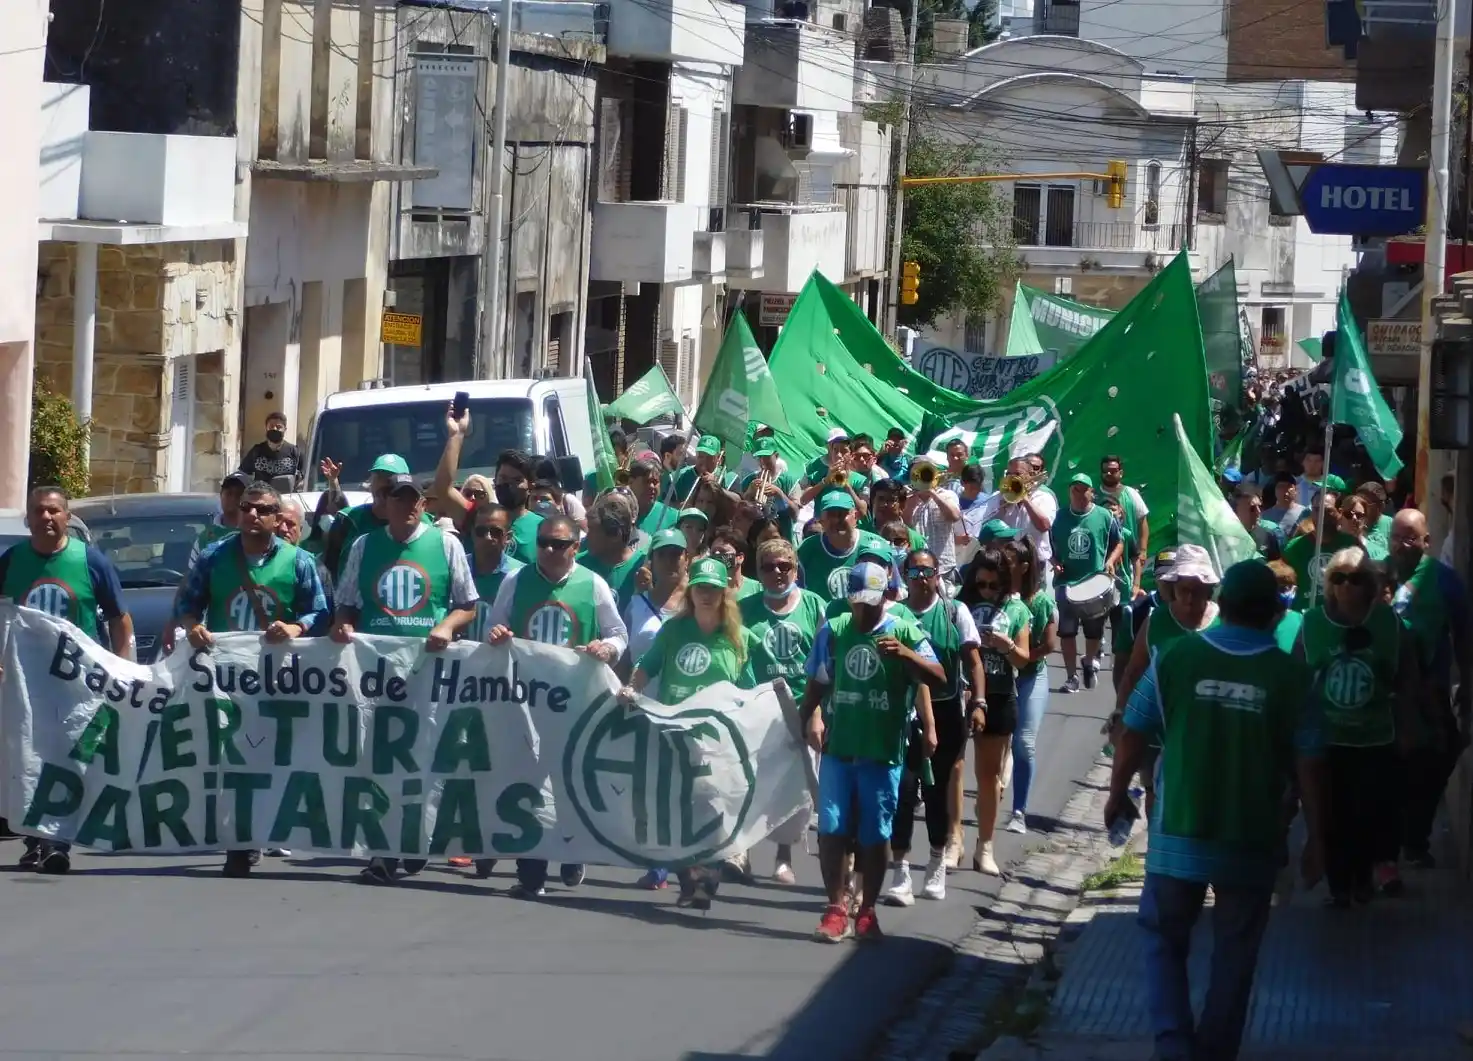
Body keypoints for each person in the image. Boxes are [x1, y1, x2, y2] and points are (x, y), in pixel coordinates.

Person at [1107, 560, 1328, 1061]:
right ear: (1275, 614)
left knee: (1164, 939)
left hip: (1176, 836)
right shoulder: (1295, 677)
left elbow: (1132, 733)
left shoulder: (1174, 659)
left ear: (1219, 606)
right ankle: (1215, 1050)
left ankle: (1173, 1046)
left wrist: (1117, 793)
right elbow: (1311, 765)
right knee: (1236, 950)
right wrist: (1317, 837)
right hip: (1251, 838)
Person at [176, 482, 330, 878]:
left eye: (263, 510)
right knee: (232, 760)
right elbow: (187, 605)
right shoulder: (214, 557)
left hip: (280, 681)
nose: (252, 515)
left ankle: (265, 829)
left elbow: (320, 612)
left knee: (273, 759)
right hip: (227, 681)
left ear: (279, 518)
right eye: (246, 507)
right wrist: (193, 627)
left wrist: (296, 628)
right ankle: (240, 844)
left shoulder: (299, 561)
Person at [486, 513, 629, 898]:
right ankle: (530, 872)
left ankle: (571, 850)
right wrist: (497, 635)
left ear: (575, 548)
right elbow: (493, 628)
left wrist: (607, 648)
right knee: (527, 781)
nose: (550, 550)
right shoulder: (515, 582)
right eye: (544, 542)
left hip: (573, 702)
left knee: (568, 782)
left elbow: (618, 633)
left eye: (559, 544)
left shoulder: (592, 584)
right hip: (525, 702)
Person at [802, 562, 944, 942]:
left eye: (874, 601)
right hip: (839, 749)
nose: (866, 609)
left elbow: (939, 677)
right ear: (850, 599)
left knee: (874, 834)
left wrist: (906, 656)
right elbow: (816, 684)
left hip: (882, 753)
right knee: (831, 828)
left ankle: (867, 911)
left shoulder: (905, 631)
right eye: (860, 601)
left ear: (888, 596)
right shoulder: (833, 632)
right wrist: (803, 721)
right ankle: (835, 908)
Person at [0, 487, 134, 874]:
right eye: (39, 511)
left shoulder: (89, 560)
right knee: (28, 756)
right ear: (28, 519)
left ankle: (57, 841)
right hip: (26, 681)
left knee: (71, 758)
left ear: (67, 516)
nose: (47, 518)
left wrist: (119, 666)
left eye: (54, 511)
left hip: (79, 681)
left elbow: (119, 618)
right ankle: (35, 837)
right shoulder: (12, 562)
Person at [622, 556, 760, 908]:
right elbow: (647, 666)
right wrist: (632, 689)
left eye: (714, 588)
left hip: (718, 739)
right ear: (691, 590)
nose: (706, 594)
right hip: (674, 732)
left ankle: (708, 878)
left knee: (712, 810)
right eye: (700, 587)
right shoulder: (672, 630)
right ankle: (688, 882)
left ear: (724, 593)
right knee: (678, 810)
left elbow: (751, 690)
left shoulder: (740, 638)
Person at [1297, 546, 1418, 905]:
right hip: (1326, 741)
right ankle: (1338, 885)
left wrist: (1411, 726)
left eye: (1356, 579)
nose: (1347, 586)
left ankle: (1362, 878)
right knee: (1331, 814)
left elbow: (1408, 678)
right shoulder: (1313, 623)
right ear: (1329, 584)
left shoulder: (1389, 625)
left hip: (1375, 739)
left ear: (1371, 585)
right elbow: (1297, 677)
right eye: (1338, 578)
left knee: (1369, 814)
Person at [884, 548, 985, 906]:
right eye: (914, 572)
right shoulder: (897, 613)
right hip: (902, 713)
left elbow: (973, 660)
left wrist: (978, 703)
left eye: (927, 571)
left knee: (939, 790)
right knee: (904, 790)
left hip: (946, 711)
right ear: (905, 576)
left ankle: (938, 861)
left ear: (937, 575)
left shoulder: (953, 611)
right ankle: (900, 871)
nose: (921, 578)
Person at [1388, 508, 1471, 869]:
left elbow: (1465, 638)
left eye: (1411, 537)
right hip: (1383, 692)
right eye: (1397, 536)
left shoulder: (1445, 580)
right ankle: (1386, 851)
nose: (1403, 544)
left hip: (1429, 692)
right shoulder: (1374, 574)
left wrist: (1466, 686)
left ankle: (1415, 837)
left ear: (1427, 541)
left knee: (1440, 757)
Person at [742, 538, 828, 884]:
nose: (777, 572)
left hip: (804, 704)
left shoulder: (814, 605)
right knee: (751, 782)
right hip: (760, 705)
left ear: (795, 568)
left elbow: (824, 663)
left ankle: (784, 854)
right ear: (758, 572)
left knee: (799, 786)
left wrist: (817, 711)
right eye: (768, 567)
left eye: (784, 566)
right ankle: (741, 851)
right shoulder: (745, 608)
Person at [957, 546, 1032, 875]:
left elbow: (1024, 660)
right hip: (962, 692)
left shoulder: (1017, 609)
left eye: (993, 585)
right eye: (981, 584)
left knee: (989, 778)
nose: (986, 590)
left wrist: (1008, 646)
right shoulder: (960, 605)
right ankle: (952, 839)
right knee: (953, 771)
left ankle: (984, 847)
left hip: (1001, 692)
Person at [1049, 473, 1122, 693]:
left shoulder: (1104, 517)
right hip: (1067, 584)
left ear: (1093, 492)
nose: (1080, 495)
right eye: (1075, 490)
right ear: (1070, 492)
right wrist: (1055, 562)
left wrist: (1110, 561)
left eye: (1085, 490)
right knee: (1068, 632)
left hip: (1094, 582)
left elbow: (1119, 543)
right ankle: (1071, 677)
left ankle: (1089, 660)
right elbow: (1050, 549)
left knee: (1093, 632)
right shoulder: (1059, 518)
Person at [1008, 536, 1057, 835]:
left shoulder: (1041, 602)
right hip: (998, 678)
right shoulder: (995, 597)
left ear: (1024, 567)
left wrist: (1022, 658)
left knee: (1024, 743)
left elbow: (1049, 644)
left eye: (1009, 561)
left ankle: (1018, 811)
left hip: (1031, 676)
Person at [325, 453, 434, 576]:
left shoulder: (424, 523)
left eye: (390, 479)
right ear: (371, 483)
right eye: (378, 477)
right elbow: (329, 570)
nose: (383, 484)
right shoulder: (348, 520)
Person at [977, 454, 1058, 592]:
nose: (1012, 478)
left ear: (1030, 474)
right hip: (1005, 562)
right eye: (1009, 474)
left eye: (1018, 474)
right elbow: (986, 528)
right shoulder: (998, 497)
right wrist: (1001, 508)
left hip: (1034, 563)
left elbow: (1044, 526)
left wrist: (1024, 498)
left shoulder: (1044, 497)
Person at [625, 529, 689, 670]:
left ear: (687, 560)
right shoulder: (636, 605)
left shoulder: (697, 605)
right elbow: (625, 659)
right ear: (651, 562)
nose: (668, 561)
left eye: (675, 554)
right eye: (661, 555)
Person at [575, 492, 645, 614]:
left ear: (615, 535)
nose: (587, 536)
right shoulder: (577, 566)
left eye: (593, 530)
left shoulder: (643, 568)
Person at [1281, 504, 1359, 610]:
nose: (1322, 516)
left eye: (1328, 511)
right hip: (1306, 616)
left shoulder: (1352, 544)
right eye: (1317, 510)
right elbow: (1284, 585)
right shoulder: (1294, 548)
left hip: (1342, 615)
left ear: (1339, 513)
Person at [466, 503, 522, 643]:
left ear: (508, 537)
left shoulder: (520, 576)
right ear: (473, 534)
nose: (488, 537)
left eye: (496, 532)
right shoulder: (457, 569)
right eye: (481, 531)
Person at [797, 491, 861, 606]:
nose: (837, 520)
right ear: (821, 520)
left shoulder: (873, 546)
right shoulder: (806, 549)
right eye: (831, 515)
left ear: (855, 516)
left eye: (842, 514)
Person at [904, 457, 962, 583]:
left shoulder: (947, 495)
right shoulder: (906, 497)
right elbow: (904, 526)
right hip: (917, 568)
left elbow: (954, 516)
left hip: (944, 568)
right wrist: (910, 504)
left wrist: (932, 493)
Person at [1099, 454, 1149, 591]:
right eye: (1105, 470)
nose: (1109, 473)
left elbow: (1142, 522)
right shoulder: (1094, 496)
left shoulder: (1131, 494)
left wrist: (1143, 550)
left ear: (1121, 473)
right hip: (1101, 558)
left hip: (1128, 555)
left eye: (1113, 470)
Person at [735, 437, 799, 541]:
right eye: (759, 457)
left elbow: (795, 514)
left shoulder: (789, 480)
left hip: (782, 538)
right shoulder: (749, 480)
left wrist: (779, 494)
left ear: (776, 456)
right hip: (755, 539)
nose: (763, 461)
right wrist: (749, 493)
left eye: (767, 457)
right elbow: (738, 513)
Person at [190, 471, 253, 566]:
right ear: (221, 495)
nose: (233, 498)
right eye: (229, 493)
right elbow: (194, 575)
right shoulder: (205, 538)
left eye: (239, 494)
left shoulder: (255, 533)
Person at [238, 410, 303, 485]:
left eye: (278, 427)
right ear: (266, 428)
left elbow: (305, 477)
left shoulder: (295, 452)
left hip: (286, 495)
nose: (274, 429)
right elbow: (243, 473)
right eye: (271, 426)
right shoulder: (256, 451)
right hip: (261, 494)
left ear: (285, 430)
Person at [860, 479, 925, 552]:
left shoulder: (916, 540)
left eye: (891, 500)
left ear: (902, 505)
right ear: (872, 502)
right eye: (880, 499)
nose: (884, 504)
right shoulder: (860, 534)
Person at [673, 435, 735, 502]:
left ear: (719, 459)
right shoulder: (680, 475)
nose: (704, 461)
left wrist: (718, 487)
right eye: (701, 456)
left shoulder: (728, 479)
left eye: (710, 458)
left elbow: (738, 502)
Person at [627, 456, 679, 535]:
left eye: (655, 482)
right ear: (631, 482)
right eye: (646, 481)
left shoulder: (673, 517)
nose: (651, 486)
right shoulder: (619, 512)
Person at [1232, 480, 1282, 560]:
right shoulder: (1226, 537)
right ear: (1236, 511)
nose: (1258, 512)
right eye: (1252, 508)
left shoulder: (1268, 535)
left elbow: (1276, 566)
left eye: (1259, 507)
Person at [708, 524, 760, 602]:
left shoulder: (757, 589)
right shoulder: (706, 589)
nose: (717, 555)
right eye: (713, 552)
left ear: (740, 557)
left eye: (722, 551)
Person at [1261, 473, 1305, 538]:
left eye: (1289, 486)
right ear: (1275, 490)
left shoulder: (1304, 513)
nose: (1285, 490)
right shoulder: (1265, 516)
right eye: (1281, 487)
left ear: (1295, 490)